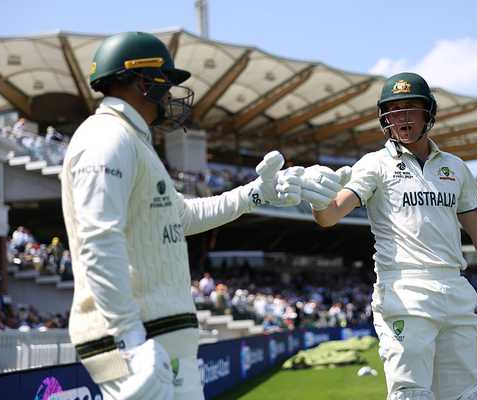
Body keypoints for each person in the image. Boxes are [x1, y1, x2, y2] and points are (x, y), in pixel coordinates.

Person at [61, 31, 345, 400]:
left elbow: (182, 216)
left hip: (156, 340)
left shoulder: (131, 140)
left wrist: (256, 193)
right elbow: (97, 239)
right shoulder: (106, 137)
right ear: (142, 80)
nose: (170, 94)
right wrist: (128, 338)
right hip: (138, 342)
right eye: (166, 82)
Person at [308, 72, 477, 400]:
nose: (402, 118)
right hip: (403, 290)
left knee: (467, 396)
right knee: (411, 395)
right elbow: (330, 215)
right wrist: (317, 199)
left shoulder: (455, 167)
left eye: (410, 108)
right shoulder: (374, 164)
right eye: (393, 110)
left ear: (429, 113)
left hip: (455, 291)